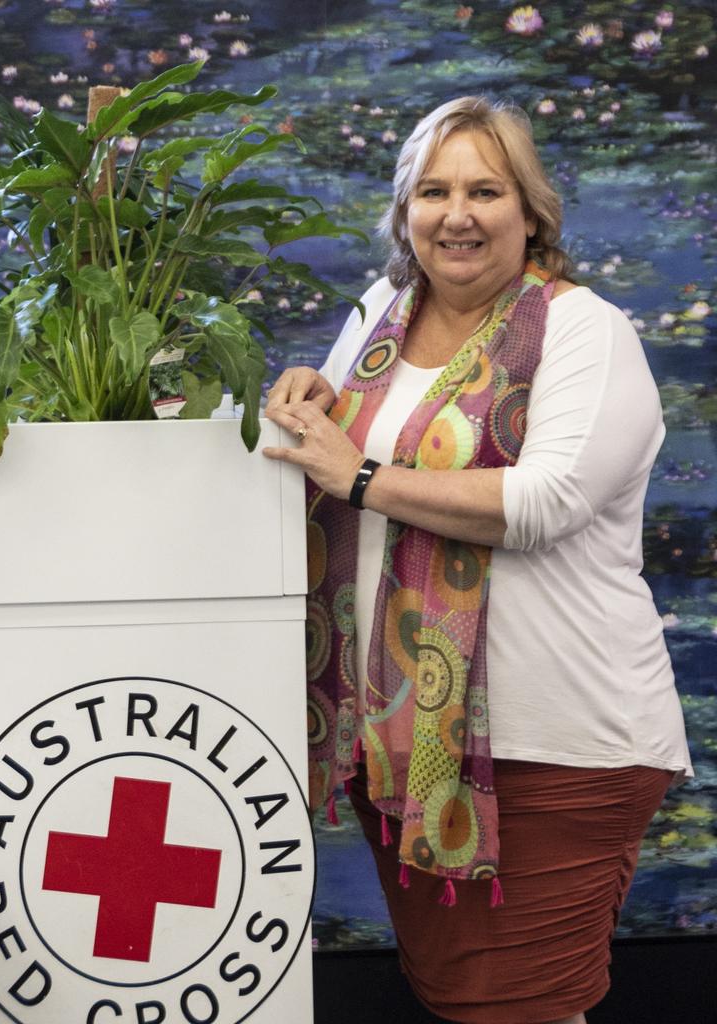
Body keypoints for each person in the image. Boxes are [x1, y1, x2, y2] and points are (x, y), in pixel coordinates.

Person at [262, 96, 692, 1024]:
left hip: (555, 744)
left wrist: (362, 472)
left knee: (520, 1010)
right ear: (405, 211)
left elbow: (545, 503)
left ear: (530, 212)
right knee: (463, 1001)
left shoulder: (586, 332)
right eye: (434, 191)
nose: (456, 214)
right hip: (410, 738)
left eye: (485, 190)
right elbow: (344, 440)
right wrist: (314, 397)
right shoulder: (384, 309)